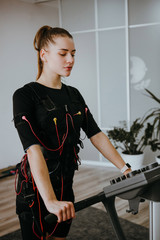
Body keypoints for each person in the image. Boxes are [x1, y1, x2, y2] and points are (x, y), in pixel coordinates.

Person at [13, 25, 132, 240]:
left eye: (73, 54)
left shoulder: (73, 94)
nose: (71, 60)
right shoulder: (25, 95)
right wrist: (49, 200)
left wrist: (124, 168)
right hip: (36, 191)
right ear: (44, 54)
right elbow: (33, 151)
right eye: (63, 53)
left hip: (65, 185)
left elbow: (95, 134)